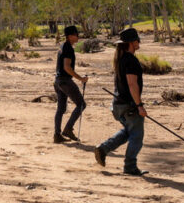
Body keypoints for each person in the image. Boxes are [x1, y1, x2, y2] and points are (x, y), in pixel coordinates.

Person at [94, 28, 148, 176]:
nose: (139, 42)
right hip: (128, 106)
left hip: (118, 105)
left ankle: (103, 149)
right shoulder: (130, 60)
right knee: (136, 136)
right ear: (131, 43)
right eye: (137, 40)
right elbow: (132, 85)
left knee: (128, 132)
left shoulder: (121, 59)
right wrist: (139, 105)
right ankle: (130, 166)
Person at [54, 26, 88, 143]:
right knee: (81, 104)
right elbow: (67, 67)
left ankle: (57, 135)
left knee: (61, 109)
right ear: (69, 36)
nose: (78, 36)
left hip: (58, 81)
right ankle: (68, 129)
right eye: (76, 34)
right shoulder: (68, 48)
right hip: (65, 81)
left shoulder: (62, 46)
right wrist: (80, 78)